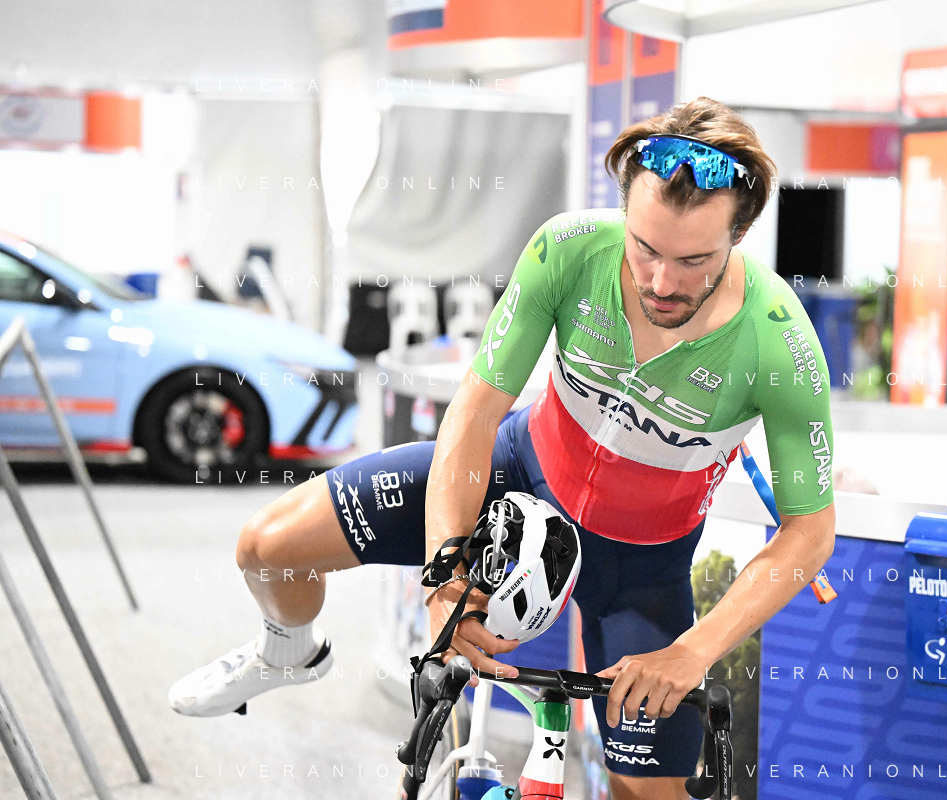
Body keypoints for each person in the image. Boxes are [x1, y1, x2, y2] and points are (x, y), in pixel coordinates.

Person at [168, 96, 836, 800]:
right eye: (644, 248)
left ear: (740, 233)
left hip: (639, 568)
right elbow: (475, 413)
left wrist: (692, 652)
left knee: (645, 794)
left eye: (693, 260)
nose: (661, 282)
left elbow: (810, 530)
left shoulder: (778, 341)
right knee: (266, 547)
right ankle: (287, 653)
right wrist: (443, 574)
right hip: (516, 476)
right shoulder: (570, 248)